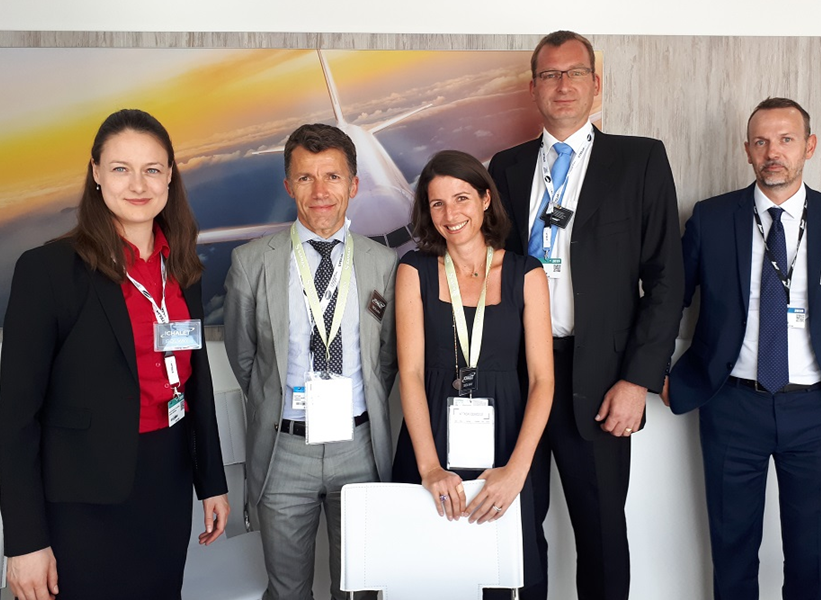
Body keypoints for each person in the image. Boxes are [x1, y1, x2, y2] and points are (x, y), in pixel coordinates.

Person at [0, 108, 230, 600]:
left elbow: (195, 382)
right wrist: (24, 541)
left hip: (166, 485)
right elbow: (14, 418)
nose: (138, 184)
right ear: (96, 174)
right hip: (83, 503)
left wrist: (211, 481)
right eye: (121, 168)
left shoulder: (182, 265)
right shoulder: (48, 270)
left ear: (170, 176)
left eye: (152, 169)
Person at [488, 30, 684, 600]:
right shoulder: (506, 166)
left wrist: (637, 380)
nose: (563, 85)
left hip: (600, 379)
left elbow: (666, 280)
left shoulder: (639, 160)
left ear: (596, 84)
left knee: (601, 535)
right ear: (533, 88)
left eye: (574, 73)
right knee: (512, 531)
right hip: (516, 377)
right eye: (550, 75)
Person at [665, 97, 821, 600]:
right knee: (732, 552)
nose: (773, 152)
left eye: (786, 139)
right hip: (731, 405)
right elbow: (670, 298)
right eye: (761, 142)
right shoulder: (711, 218)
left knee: (812, 557)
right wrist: (654, 370)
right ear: (747, 150)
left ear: (809, 146)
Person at [223, 123, 397, 600]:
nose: (320, 192)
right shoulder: (251, 262)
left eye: (332, 177)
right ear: (288, 185)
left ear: (353, 185)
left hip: (359, 448)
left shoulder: (384, 263)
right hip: (284, 450)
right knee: (287, 590)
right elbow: (245, 358)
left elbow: (385, 360)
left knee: (360, 589)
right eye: (305, 178)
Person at [391, 149, 553, 595]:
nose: (451, 214)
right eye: (437, 203)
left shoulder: (527, 273)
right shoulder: (413, 270)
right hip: (430, 442)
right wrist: (429, 468)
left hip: (508, 446)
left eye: (461, 198)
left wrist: (516, 471)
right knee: (427, 578)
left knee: (507, 576)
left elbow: (543, 381)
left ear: (484, 199)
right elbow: (410, 372)